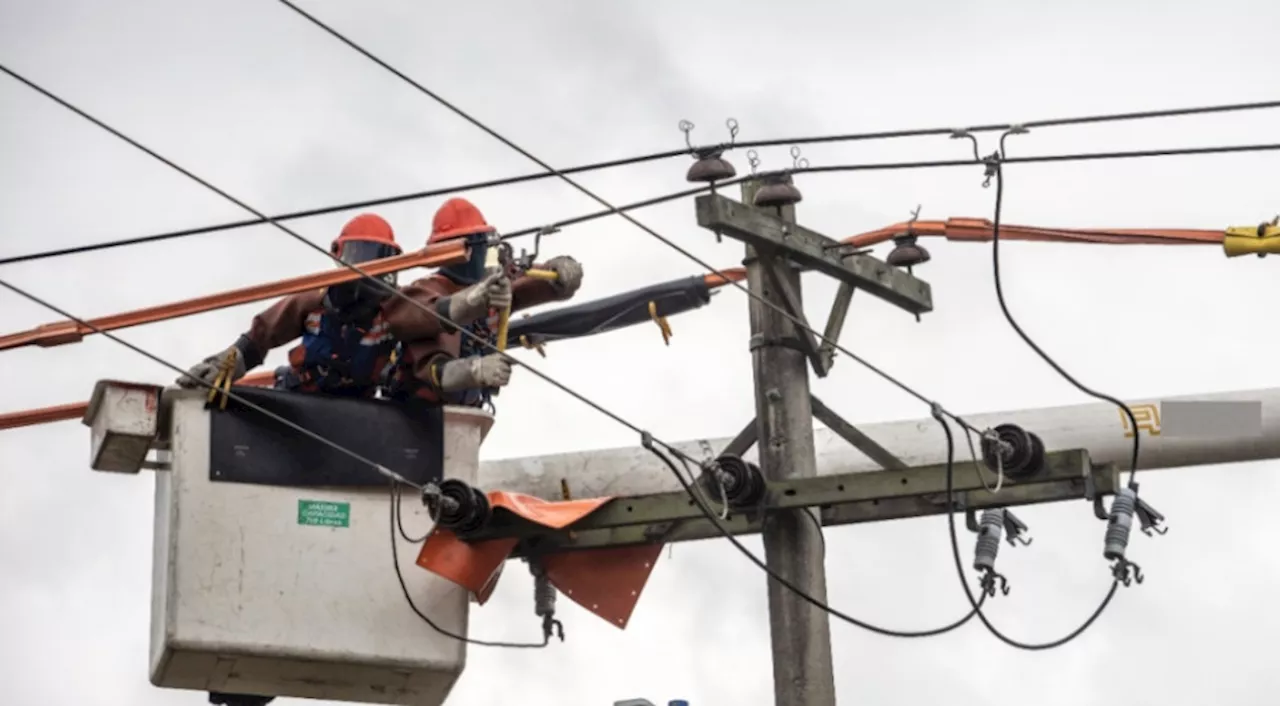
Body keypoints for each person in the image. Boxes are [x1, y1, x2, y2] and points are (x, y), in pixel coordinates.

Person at [379, 197, 583, 406]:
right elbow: (420, 332)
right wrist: (474, 369)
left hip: (468, 413)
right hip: (415, 412)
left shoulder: (496, 283)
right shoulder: (428, 289)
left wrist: (560, 272)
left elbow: (531, 282)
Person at [177, 212, 404, 399]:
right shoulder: (315, 300)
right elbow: (261, 335)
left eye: (379, 258)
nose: (368, 266)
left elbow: (424, 322)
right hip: (300, 398)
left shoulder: (397, 310)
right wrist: (224, 364)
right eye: (361, 254)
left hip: (359, 407)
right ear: (340, 257)